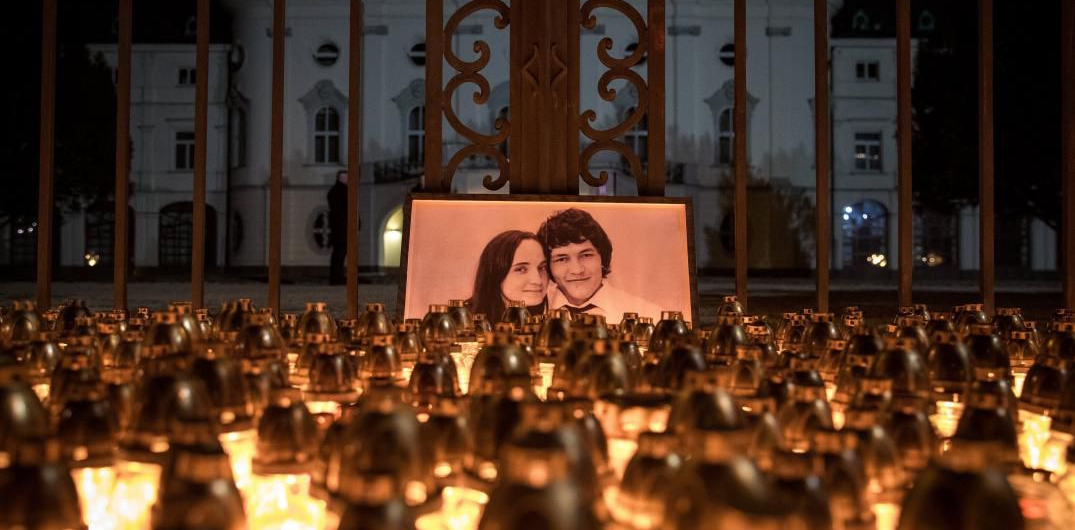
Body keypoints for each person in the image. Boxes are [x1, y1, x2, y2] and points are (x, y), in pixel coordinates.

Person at [536, 208, 662, 320]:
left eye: (586, 255)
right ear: (548, 267)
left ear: (602, 257)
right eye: (562, 259)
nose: (577, 270)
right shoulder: (532, 311)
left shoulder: (649, 314)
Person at [466, 230, 549, 321]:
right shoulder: (461, 321)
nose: (538, 280)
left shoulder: (550, 320)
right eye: (521, 269)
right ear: (495, 274)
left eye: (542, 267)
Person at [327, 170, 348, 285]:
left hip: (340, 227)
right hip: (341, 228)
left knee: (339, 254)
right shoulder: (340, 191)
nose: (346, 180)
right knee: (339, 254)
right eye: (344, 178)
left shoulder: (336, 191)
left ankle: (337, 277)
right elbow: (343, 211)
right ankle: (337, 277)